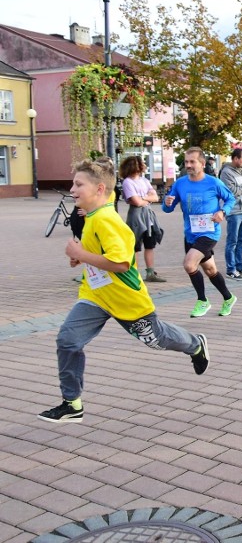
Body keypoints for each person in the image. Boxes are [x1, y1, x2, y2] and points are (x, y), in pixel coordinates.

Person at [37, 158, 209, 423]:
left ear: (99, 190)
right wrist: (82, 257)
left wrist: (81, 252)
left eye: (78, 184)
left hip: (126, 300)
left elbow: (119, 263)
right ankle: (72, 404)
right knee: (68, 341)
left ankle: (195, 345)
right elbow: (102, 253)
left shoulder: (107, 219)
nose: (72, 189)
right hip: (96, 296)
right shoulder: (92, 216)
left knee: (157, 339)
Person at [163, 147, 238, 317]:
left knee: (189, 264)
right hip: (190, 233)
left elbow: (230, 199)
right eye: (186, 161)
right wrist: (167, 203)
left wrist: (222, 212)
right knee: (210, 269)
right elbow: (167, 209)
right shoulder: (180, 183)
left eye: (192, 162)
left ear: (202, 164)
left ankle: (202, 301)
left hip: (209, 232)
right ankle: (228, 298)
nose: (188, 165)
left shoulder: (214, 182)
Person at [119, 155, 166, 283]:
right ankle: (134, 273)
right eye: (142, 163)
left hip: (148, 215)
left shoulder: (144, 180)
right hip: (136, 216)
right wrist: (146, 197)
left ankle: (150, 272)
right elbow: (136, 202)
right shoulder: (128, 182)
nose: (144, 165)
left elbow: (155, 197)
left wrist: (143, 198)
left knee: (150, 244)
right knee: (135, 246)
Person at [220, 148, 242, 280]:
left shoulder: (241, 171)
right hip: (235, 212)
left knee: (241, 241)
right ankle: (231, 269)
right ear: (235, 159)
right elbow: (232, 191)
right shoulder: (226, 172)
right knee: (232, 241)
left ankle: (240, 266)